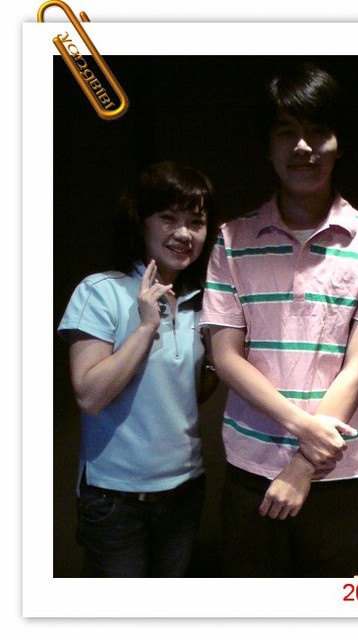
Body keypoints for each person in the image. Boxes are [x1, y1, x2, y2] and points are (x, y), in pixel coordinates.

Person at [201, 62, 358, 577]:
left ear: (339, 143)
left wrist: (304, 465)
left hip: (342, 468)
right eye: (286, 132)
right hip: (252, 464)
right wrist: (304, 429)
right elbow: (225, 357)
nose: (302, 147)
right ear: (268, 147)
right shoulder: (231, 239)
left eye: (318, 131)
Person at [57, 161, 218, 577]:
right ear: (141, 221)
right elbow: (90, 395)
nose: (184, 233)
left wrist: (216, 360)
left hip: (185, 489)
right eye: (168, 218)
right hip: (116, 498)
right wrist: (147, 327)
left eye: (196, 222)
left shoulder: (201, 301)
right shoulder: (101, 291)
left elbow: (187, 393)